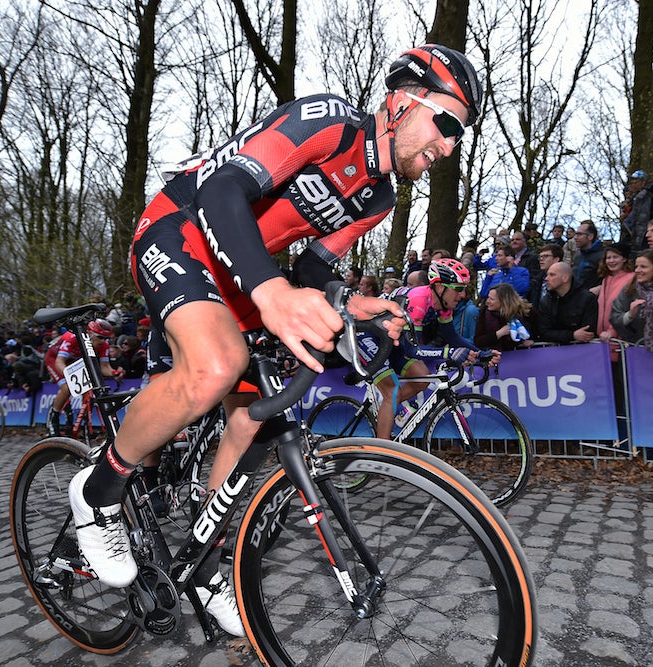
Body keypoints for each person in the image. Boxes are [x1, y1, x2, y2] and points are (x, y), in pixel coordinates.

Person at [66, 44, 478, 632]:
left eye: (459, 135)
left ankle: (206, 563)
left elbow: (314, 267)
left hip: (241, 276)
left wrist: (354, 306)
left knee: (259, 415)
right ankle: (101, 488)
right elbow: (220, 191)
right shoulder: (329, 122)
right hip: (179, 230)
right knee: (216, 364)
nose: (449, 145)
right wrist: (270, 290)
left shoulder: (379, 197)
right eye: (444, 123)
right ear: (399, 103)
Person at [368, 259, 494, 440]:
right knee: (392, 392)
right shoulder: (419, 299)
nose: (463, 295)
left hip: (391, 340)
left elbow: (452, 337)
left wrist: (481, 354)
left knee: (422, 378)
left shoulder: (442, 305)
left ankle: (387, 412)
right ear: (440, 287)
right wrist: (449, 353)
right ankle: (380, 454)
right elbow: (412, 350)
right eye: (458, 289)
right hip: (368, 335)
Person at [44, 318, 122, 436]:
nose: (103, 341)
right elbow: (59, 362)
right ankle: (52, 418)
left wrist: (115, 373)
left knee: (87, 388)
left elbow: (104, 367)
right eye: (100, 337)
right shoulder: (72, 337)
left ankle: (83, 423)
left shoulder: (103, 345)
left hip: (74, 361)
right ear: (90, 333)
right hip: (55, 359)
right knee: (67, 387)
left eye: (106, 338)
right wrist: (70, 376)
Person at [533, 261, 598, 344]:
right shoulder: (546, 300)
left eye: (552, 275)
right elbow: (543, 332)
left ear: (565, 278)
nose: (546, 278)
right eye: (547, 274)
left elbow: (587, 332)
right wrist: (572, 335)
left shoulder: (587, 298)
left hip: (582, 351)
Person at [591, 244, 634, 343]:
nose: (611, 261)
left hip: (619, 338)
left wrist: (612, 331)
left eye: (615, 257)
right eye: (608, 258)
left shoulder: (631, 279)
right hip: (602, 337)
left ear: (624, 259)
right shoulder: (605, 279)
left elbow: (626, 308)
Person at [474, 283, 533, 351]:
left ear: (503, 301)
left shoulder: (522, 313)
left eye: (492, 299)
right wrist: (498, 334)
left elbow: (536, 331)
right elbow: (478, 341)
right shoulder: (485, 314)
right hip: (494, 357)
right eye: (488, 297)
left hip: (518, 356)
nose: (487, 301)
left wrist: (523, 341)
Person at [528, 243, 563, 310]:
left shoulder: (563, 281)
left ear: (556, 259)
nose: (541, 259)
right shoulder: (537, 280)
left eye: (546, 256)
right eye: (540, 256)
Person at [571, 220, 604, 290]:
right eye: (575, 234)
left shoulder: (603, 256)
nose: (575, 237)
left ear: (590, 236)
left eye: (579, 234)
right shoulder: (577, 256)